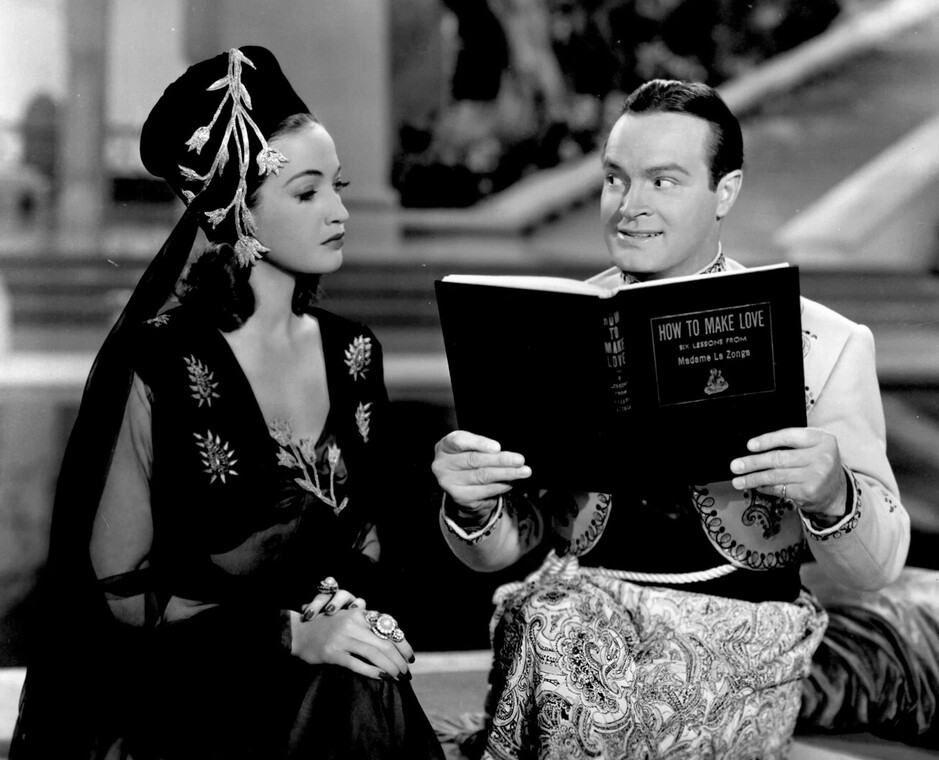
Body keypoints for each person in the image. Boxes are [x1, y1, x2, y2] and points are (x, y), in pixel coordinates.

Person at [432, 80, 911, 759]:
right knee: (554, 630)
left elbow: (877, 566)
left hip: (733, 658)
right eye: (615, 179)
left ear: (724, 191)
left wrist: (834, 494)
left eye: (663, 181)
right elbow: (509, 544)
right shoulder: (552, 329)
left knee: (559, 642)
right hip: (576, 640)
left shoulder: (823, 344)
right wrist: (472, 502)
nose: (630, 206)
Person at [12, 46, 443, 759]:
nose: (339, 211)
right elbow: (121, 590)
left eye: (338, 186)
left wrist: (350, 614)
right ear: (236, 210)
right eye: (306, 193)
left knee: (360, 685)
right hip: (193, 687)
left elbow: (368, 543)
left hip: (327, 680)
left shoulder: (354, 352)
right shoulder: (162, 363)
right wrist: (288, 634)